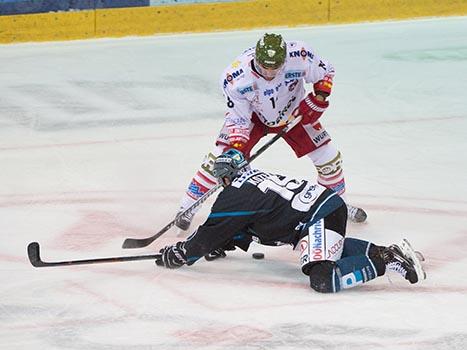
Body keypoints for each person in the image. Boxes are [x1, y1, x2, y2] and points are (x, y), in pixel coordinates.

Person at [156, 149, 426, 293]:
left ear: (225, 176)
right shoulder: (254, 181)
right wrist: (223, 242)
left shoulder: (237, 195)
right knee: (325, 251)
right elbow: (242, 225)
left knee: (323, 278)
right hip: (324, 209)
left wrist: (182, 253)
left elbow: (209, 232)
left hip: (318, 217)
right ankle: (387, 251)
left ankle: (386, 260)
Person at [175, 32, 367, 232]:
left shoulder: (299, 55)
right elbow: (238, 118)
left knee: (329, 159)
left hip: (295, 112)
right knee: (220, 160)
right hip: (253, 117)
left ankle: (337, 206)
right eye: (263, 67)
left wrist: (319, 98)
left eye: (274, 68)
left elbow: (326, 71)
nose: (268, 72)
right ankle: (186, 207)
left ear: (284, 60)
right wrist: (237, 150)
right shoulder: (235, 77)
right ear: (256, 59)